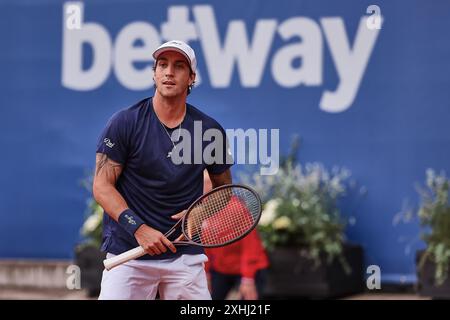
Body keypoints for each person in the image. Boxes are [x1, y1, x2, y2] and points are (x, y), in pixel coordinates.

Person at [93, 40, 233, 300]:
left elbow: (225, 189)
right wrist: (139, 229)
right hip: (129, 254)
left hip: (184, 258)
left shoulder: (209, 131)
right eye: (163, 65)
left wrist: (200, 211)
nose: (169, 72)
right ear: (154, 73)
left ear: (192, 77)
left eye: (179, 66)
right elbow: (102, 186)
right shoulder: (124, 122)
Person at [203, 171, 269, 300]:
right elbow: (204, 247)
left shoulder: (235, 208)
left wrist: (248, 278)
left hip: (248, 270)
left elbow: (250, 246)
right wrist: (205, 274)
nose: (201, 187)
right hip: (221, 269)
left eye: (206, 183)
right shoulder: (200, 209)